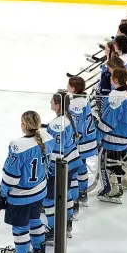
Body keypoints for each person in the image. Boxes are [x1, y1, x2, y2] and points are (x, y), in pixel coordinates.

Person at [0, 111, 54, 253]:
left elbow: (11, 176)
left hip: (21, 196)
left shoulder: (18, 146)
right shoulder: (47, 138)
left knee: (20, 228)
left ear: (23, 125)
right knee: (35, 221)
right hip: (39, 192)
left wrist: (2, 194)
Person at [43, 92, 83, 243]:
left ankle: (55, 230)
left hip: (60, 165)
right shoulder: (68, 117)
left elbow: (56, 150)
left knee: (48, 199)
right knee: (65, 193)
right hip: (72, 161)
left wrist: (50, 168)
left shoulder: (57, 124)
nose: (50, 103)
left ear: (57, 105)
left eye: (51, 101)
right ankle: (67, 223)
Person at [96, 67, 127, 204]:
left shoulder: (115, 95)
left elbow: (110, 119)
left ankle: (113, 191)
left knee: (109, 161)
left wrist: (99, 133)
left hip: (116, 135)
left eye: (112, 76)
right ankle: (125, 181)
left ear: (116, 79)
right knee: (123, 158)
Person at [67, 76, 98, 214]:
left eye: (68, 85)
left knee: (75, 167)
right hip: (88, 139)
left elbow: (77, 124)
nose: (67, 87)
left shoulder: (76, 103)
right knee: (82, 165)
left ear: (73, 88)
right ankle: (82, 192)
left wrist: (74, 138)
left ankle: (76, 196)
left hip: (80, 141)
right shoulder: (83, 99)